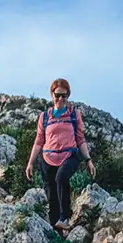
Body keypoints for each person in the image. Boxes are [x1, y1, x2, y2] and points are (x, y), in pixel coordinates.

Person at [25, 78, 95, 232]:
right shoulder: (44, 117)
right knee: (52, 197)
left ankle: (65, 216)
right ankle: (57, 235)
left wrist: (88, 160)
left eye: (64, 95)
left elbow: (80, 139)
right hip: (47, 159)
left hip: (69, 155)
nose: (61, 99)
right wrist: (30, 163)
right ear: (52, 95)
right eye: (58, 95)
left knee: (61, 177)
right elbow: (39, 141)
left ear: (68, 95)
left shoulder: (74, 115)